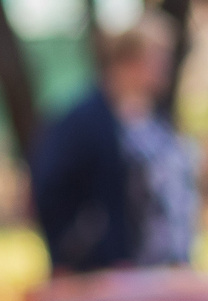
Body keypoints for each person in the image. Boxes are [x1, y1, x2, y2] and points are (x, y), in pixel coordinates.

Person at [33, 18, 197, 274]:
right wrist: (86, 245)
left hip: (163, 269)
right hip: (106, 273)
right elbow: (50, 191)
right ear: (128, 62)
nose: (166, 67)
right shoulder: (84, 122)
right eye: (157, 58)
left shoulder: (156, 120)